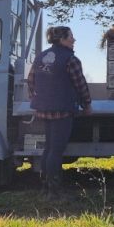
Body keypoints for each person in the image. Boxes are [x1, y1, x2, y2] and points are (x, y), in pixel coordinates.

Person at [27, 26, 92, 200]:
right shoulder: (70, 59)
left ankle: (46, 188)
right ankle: (54, 192)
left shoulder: (40, 57)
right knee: (56, 150)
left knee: (48, 148)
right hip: (62, 110)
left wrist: (37, 96)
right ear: (62, 39)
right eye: (71, 36)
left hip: (43, 108)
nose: (74, 40)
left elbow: (31, 80)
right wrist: (87, 104)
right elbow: (80, 84)